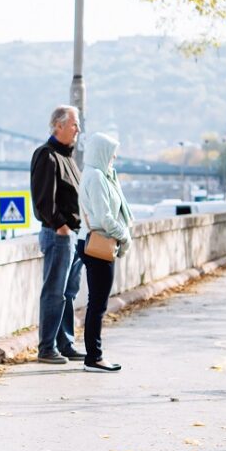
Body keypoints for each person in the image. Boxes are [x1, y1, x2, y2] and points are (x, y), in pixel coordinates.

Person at [30, 105, 84, 364]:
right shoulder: (46, 155)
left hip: (72, 234)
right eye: (74, 124)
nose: (78, 130)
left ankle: (65, 343)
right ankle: (47, 347)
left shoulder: (69, 159)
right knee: (54, 291)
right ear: (58, 126)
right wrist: (61, 227)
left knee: (68, 292)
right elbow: (43, 201)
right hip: (58, 235)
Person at [77, 132, 132, 372]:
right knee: (98, 304)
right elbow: (104, 217)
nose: (114, 158)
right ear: (101, 152)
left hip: (90, 241)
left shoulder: (96, 174)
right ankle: (94, 357)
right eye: (111, 154)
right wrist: (124, 235)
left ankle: (94, 355)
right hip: (99, 243)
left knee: (96, 303)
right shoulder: (97, 177)